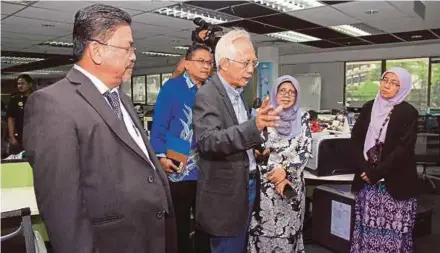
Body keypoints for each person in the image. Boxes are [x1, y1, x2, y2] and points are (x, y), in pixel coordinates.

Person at [23, 4, 176, 253]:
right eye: (127, 47)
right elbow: (63, 210)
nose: (134, 55)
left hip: (148, 239)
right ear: (96, 50)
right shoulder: (52, 104)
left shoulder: (119, 98)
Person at [192, 29, 282, 253]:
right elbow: (209, 141)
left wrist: (258, 150)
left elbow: (237, 136)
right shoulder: (208, 95)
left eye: (253, 62)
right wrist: (255, 126)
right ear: (223, 63)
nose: (251, 70)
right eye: (245, 63)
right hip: (225, 195)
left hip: (245, 185)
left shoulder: (236, 93)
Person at [151, 43, 213, 253]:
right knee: (180, 225)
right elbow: (159, 126)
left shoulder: (213, 89)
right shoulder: (172, 88)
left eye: (209, 63)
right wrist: (160, 157)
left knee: (207, 224)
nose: (206, 66)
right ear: (187, 64)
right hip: (179, 164)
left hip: (209, 167)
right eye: (201, 61)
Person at [350, 67, 419, 253]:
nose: (387, 86)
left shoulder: (409, 113)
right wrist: (365, 169)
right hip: (368, 184)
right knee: (367, 231)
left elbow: (403, 150)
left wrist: (376, 172)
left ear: (402, 88)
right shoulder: (368, 107)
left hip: (396, 185)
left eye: (394, 83)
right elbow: (355, 140)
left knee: (394, 235)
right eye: (384, 80)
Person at [248, 75, 312, 253]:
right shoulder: (265, 117)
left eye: (291, 92)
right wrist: (263, 157)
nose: (286, 95)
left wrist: (286, 171)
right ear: (275, 93)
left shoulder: (303, 117)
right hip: (266, 187)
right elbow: (255, 149)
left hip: (291, 185)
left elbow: (305, 150)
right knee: (263, 233)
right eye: (282, 91)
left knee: (288, 233)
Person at [6, 74, 33, 153]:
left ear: (30, 84)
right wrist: (11, 136)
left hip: (35, 135)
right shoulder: (14, 99)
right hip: (20, 135)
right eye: (18, 84)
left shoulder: (36, 97)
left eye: (23, 83)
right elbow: (11, 118)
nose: (20, 86)